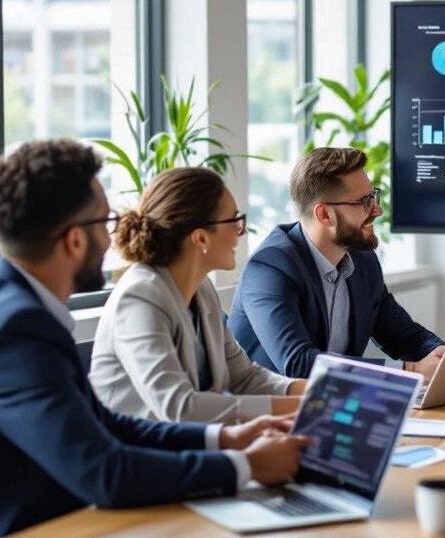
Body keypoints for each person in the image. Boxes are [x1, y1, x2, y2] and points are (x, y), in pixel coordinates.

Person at [0, 139, 306, 538]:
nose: (118, 235)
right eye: (105, 223)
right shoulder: (16, 330)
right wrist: (245, 466)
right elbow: (105, 473)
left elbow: (101, 423)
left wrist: (223, 439)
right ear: (73, 240)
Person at [91, 167, 306, 423]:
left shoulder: (201, 289)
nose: (242, 231)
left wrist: (319, 393)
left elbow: (244, 377)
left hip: (192, 444)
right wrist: (307, 408)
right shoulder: (140, 296)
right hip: (138, 454)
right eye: (234, 220)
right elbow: (180, 408)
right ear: (201, 238)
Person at [229, 147, 445, 380]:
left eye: (373, 196)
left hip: (331, 403)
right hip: (263, 410)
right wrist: (410, 370)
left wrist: (444, 356)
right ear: (324, 215)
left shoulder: (362, 260)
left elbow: (404, 336)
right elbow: (298, 363)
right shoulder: (270, 268)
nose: (377, 210)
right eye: (364, 202)